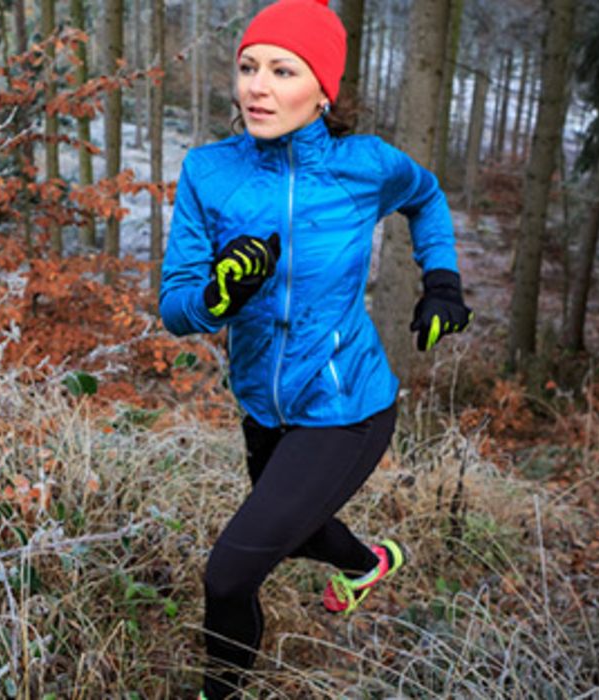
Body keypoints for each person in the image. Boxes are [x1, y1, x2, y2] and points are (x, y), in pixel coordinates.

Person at [156, 0, 473, 697]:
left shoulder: (363, 166)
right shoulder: (210, 172)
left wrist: (440, 281)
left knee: (230, 572)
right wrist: (217, 295)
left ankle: (221, 691)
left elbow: (426, 197)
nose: (256, 87)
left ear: (322, 89)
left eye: (281, 69)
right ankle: (369, 563)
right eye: (246, 67)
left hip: (346, 406)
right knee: (293, 530)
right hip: (264, 404)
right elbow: (174, 306)